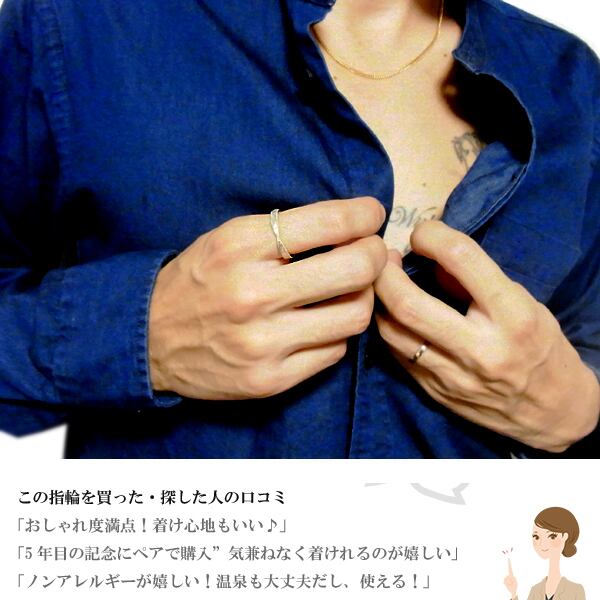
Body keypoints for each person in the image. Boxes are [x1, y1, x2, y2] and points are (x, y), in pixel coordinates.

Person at [0, 0, 598, 458]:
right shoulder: (74, 25)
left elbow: (589, 338)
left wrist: (577, 413)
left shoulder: (568, 77)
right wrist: (135, 338)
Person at [504, 507, 586, 600]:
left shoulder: (575, 590)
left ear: (565, 537)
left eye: (552, 536)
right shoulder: (535, 590)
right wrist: (513, 593)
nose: (542, 544)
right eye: (536, 537)